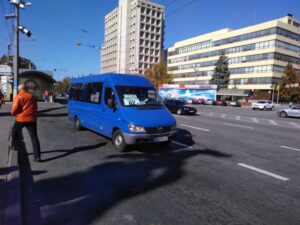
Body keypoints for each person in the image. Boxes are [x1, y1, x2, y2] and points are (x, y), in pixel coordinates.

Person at [10, 84, 41, 162]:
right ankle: (37, 157)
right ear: (26, 89)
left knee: (14, 131)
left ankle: (14, 145)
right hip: (31, 119)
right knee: (34, 137)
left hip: (21, 119)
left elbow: (14, 109)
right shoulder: (32, 96)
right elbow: (36, 107)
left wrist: (14, 114)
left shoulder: (18, 96)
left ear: (19, 89)